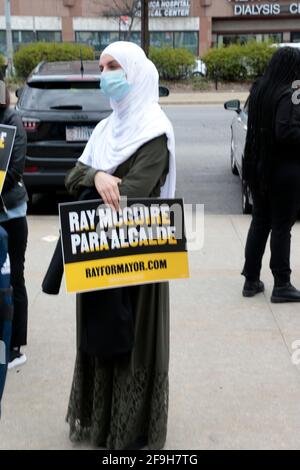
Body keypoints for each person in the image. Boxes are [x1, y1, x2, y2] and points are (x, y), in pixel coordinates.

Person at [64, 41, 176, 450]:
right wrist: (95, 177)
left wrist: (98, 180)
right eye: (102, 66)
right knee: (100, 333)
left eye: (114, 66)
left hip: (140, 258)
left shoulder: (154, 133)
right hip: (97, 254)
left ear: (136, 73)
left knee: (132, 337)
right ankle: (100, 417)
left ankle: (131, 428)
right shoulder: (105, 130)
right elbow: (72, 176)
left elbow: (133, 193)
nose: (105, 74)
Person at [242, 46, 300, 303]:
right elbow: (285, 132)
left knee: (260, 222)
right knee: (281, 227)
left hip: (259, 167)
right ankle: (282, 283)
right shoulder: (288, 94)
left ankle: (251, 280)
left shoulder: (260, 89)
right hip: (283, 170)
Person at [0, 77, 29, 367]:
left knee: (14, 278)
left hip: (10, 213)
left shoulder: (12, 121)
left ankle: (16, 347)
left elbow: (13, 170)